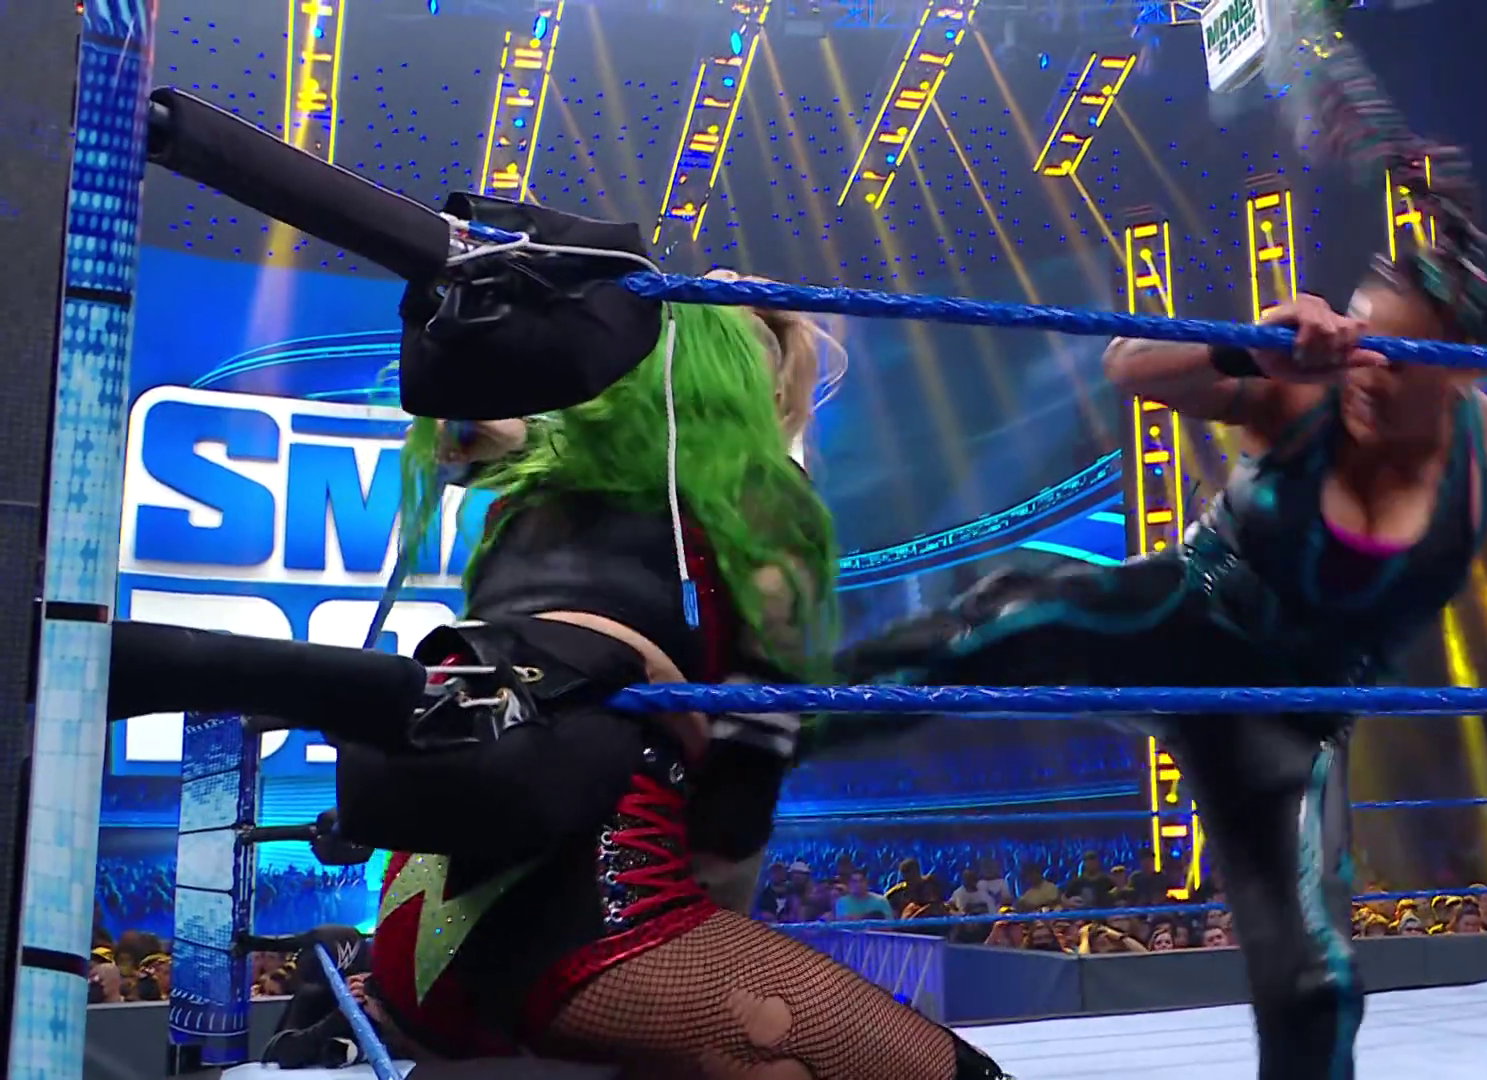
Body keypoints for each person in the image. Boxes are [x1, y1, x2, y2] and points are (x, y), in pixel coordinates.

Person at [839, 206, 1487, 1078]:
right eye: (1365, 339)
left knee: (1316, 984)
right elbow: (1129, 363)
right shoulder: (1307, 384)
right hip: (1185, 615)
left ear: (1463, 373)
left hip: (1291, 716)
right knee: (1002, 617)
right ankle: (777, 721)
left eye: (1400, 357)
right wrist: (1258, 345)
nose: (1369, 368)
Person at [103, 263, 1013, 1078]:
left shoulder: (527, 493)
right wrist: (712, 947)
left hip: (415, 933)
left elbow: (466, 423)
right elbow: (735, 812)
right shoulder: (762, 513)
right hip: (596, 933)